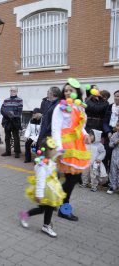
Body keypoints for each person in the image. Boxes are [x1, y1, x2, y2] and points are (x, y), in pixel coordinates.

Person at [51, 78, 91, 221]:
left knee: (73, 177)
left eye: (70, 90)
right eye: (65, 90)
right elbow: (55, 128)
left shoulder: (79, 107)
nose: (67, 92)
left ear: (77, 93)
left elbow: (81, 127)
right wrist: (59, 148)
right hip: (67, 146)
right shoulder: (60, 107)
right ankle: (63, 207)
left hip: (78, 145)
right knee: (72, 178)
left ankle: (57, 201)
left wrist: (86, 135)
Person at [19, 137, 66, 238]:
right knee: (42, 209)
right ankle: (25, 215)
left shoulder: (49, 159)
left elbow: (55, 156)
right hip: (44, 191)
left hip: (50, 190)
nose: (55, 151)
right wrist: (39, 195)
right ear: (47, 151)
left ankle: (46, 226)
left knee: (49, 207)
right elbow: (40, 181)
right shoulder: (42, 165)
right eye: (53, 149)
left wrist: (60, 152)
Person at [1, 87, 23, 158]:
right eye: (11, 90)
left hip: (15, 121)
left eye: (14, 91)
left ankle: (17, 152)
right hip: (7, 121)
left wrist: (13, 115)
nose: (12, 92)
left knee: (16, 137)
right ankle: (8, 151)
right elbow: (2, 110)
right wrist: (8, 114)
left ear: (16, 92)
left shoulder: (20, 100)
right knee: (7, 137)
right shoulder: (6, 100)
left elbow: (19, 112)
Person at [102, 90, 119, 172]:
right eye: (115, 96)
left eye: (118, 96)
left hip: (118, 134)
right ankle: (106, 178)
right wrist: (108, 131)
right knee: (106, 155)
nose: (116, 98)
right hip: (109, 133)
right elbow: (105, 121)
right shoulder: (110, 106)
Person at [107, 121, 119, 194]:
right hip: (115, 155)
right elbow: (110, 145)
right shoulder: (114, 135)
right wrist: (115, 143)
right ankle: (112, 186)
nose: (118, 127)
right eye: (117, 126)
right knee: (113, 170)